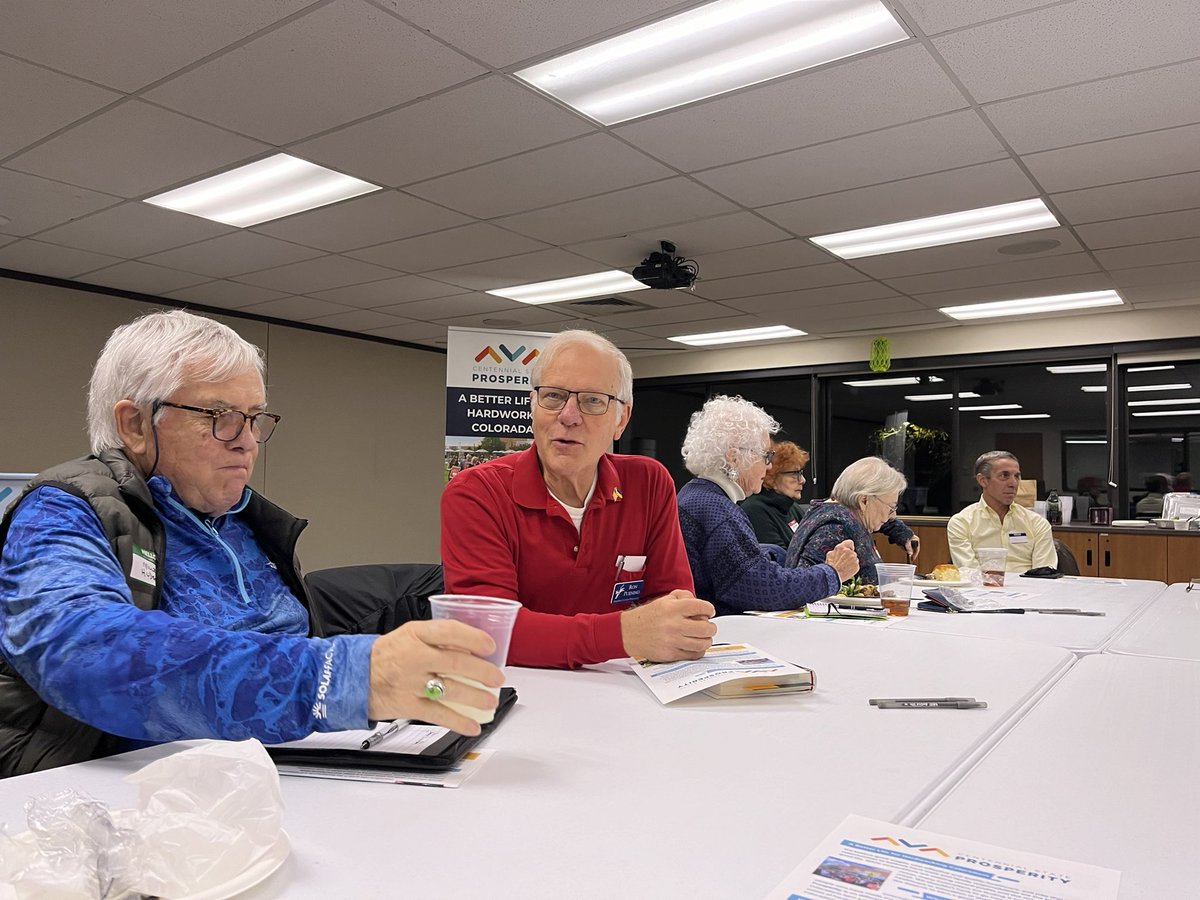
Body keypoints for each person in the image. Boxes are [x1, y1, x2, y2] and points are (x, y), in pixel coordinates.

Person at [0, 311, 502, 777]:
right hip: (115, 800)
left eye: (254, 417)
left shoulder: (245, 524)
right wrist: (349, 677)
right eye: (218, 415)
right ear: (135, 425)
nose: (246, 440)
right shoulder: (62, 510)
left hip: (273, 775)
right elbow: (88, 650)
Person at [440, 330, 716, 669]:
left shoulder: (648, 483)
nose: (568, 416)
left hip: (623, 695)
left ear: (621, 420)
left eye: (592, 400)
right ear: (532, 405)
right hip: (522, 700)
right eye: (553, 396)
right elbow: (488, 634)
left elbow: (672, 607)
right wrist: (623, 634)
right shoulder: (476, 493)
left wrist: (674, 628)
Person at [676, 396, 858, 617]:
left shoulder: (696, 495)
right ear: (734, 457)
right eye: (765, 455)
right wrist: (833, 573)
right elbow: (763, 589)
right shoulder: (717, 509)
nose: (769, 465)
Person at [785, 457, 919, 583]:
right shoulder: (837, 528)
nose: (893, 515)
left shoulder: (831, 511)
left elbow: (879, 517)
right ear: (864, 501)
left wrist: (901, 532)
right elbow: (804, 583)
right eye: (891, 507)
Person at [946, 450, 1055, 572]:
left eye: (1017, 476)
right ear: (982, 480)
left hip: (1031, 589)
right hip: (982, 589)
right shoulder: (961, 523)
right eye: (1004, 476)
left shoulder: (1037, 523)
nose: (1013, 483)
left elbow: (1044, 574)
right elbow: (969, 572)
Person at [739, 440, 810, 548]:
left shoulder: (792, 508)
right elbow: (777, 558)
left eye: (800, 473)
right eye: (794, 474)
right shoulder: (755, 511)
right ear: (772, 477)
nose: (802, 480)